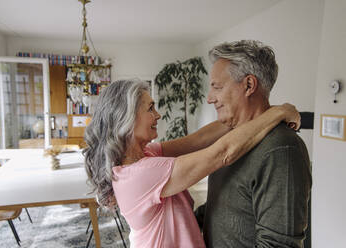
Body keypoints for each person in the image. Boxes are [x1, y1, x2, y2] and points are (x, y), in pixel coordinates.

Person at [84, 78, 300, 248]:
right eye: (150, 108)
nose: (157, 114)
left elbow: (196, 140)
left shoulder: (145, 154)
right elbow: (221, 153)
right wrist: (278, 112)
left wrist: (245, 114)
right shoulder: (139, 174)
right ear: (127, 117)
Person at [202, 40, 312, 247]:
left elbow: (279, 245)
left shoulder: (281, 149)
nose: (210, 98)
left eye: (217, 87)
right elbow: (227, 206)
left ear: (249, 85)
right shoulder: (231, 141)